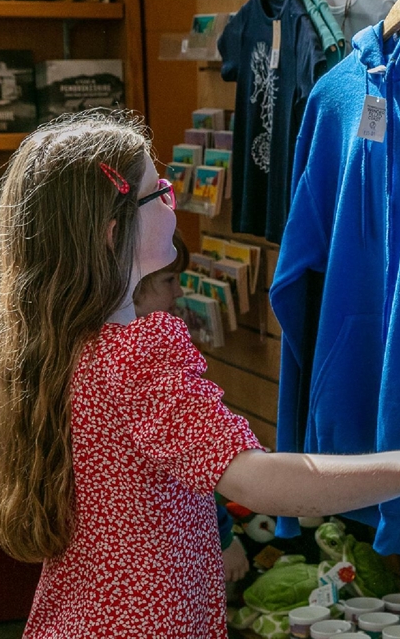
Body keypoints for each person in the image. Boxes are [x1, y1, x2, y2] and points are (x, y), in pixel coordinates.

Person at [0, 112, 400, 637]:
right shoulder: (140, 353)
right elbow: (258, 481)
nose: (172, 200)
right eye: (158, 192)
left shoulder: (60, 345)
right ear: (112, 231)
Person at [132, 229, 251, 583]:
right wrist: (225, 535)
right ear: (134, 283)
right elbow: (190, 476)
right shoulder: (144, 362)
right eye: (169, 279)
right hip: (164, 559)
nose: (180, 291)